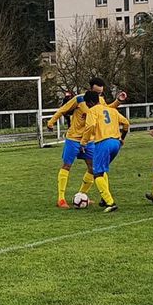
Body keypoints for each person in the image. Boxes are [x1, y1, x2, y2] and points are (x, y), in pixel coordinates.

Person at [46, 77, 126, 209]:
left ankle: (82, 195)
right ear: (90, 90)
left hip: (89, 140)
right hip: (74, 138)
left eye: (101, 93)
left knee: (93, 168)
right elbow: (63, 109)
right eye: (97, 92)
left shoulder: (99, 100)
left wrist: (118, 101)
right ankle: (61, 199)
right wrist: (51, 122)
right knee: (67, 165)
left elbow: (108, 110)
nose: (99, 95)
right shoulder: (78, 99)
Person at [80, 91, 131, 212]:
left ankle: (110, 202)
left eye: (87, 104)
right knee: (102, 170)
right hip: (115, 143)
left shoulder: (92, 111)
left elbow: (90, 126)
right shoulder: (111, 110)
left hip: (103, 143)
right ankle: (104, 198)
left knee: (97, 173)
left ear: (90, 102)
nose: (87, 106)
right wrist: (122, 138)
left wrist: (83, 142)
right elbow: (126, 123)